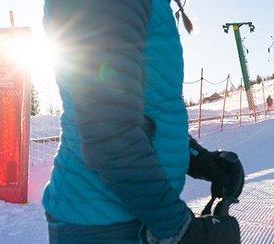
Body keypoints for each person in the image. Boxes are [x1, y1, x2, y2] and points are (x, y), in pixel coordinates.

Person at [41, 0, 244, 243]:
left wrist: (196, 157)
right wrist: (179, 228)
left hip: (133, 215)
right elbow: (109, 130)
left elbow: (148, 111)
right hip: (105, 223)